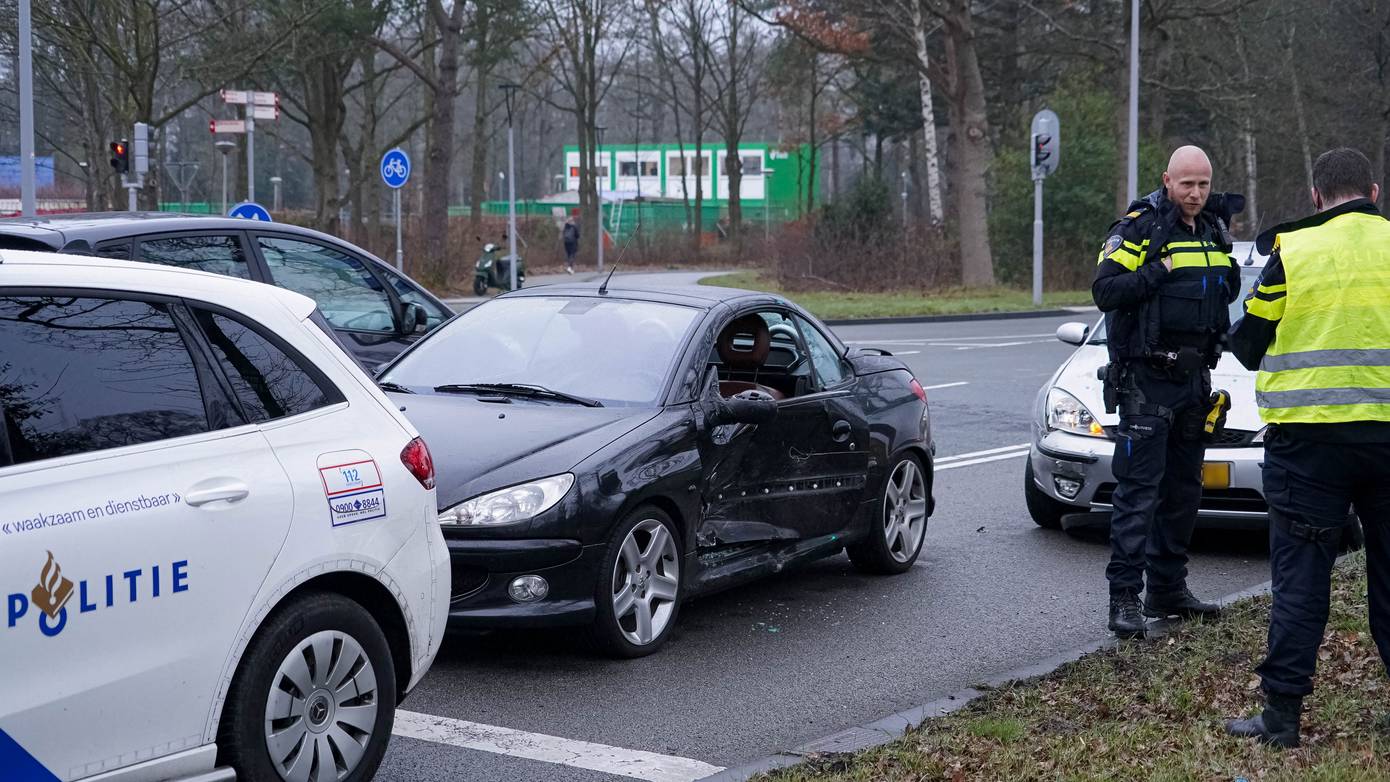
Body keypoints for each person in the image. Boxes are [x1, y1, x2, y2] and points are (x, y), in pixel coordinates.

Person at [1225, 147, 1390, 749]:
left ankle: (1282, 718)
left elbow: (1247, 343)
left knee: (1301, 579)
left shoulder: (1291, 251)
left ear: (1317, 197)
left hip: (1309, 445)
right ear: (1373, 191)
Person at [1092, 145, 1244, 638]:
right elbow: (1106, 291)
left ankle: (1168, 589)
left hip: (1195, 382)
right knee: (1138, 496)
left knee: (1183, 493)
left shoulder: (1215, 230)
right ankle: (1123, 602)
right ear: (1167, 181)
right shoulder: (1142, 226)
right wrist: (1156, 272)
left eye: (1202, 184)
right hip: (1146, 381)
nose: (1195, 194)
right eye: (1186, 184)